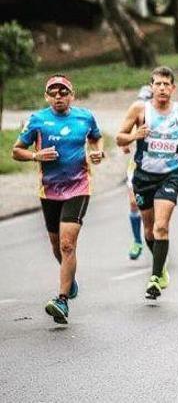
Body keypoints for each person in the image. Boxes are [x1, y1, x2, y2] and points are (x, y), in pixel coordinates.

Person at [12, 75, 105, 324]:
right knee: (56, 246)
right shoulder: (37, 120)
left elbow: (96, 137)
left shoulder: (85, 117)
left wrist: (96, 152)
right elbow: (16, 151)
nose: (58, 97)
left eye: (63, 92)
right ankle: (70, 278)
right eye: (53, 93)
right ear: (47, 96)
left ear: (72, 95)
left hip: (79, 187)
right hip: (49, 190)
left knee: (67, 244)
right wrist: (36, 155)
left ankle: (62, 299)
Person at [116, 67, 178, 300]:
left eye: (166, 84)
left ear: (173, 88)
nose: (162, 88)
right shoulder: (140, 109)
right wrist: (134, 136)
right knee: (149, 229)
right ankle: (161, 266)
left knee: (161, 226)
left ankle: (154, 278)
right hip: (143, 176)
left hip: (169, 174)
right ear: (151, 87)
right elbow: (120, 136)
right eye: (157, 84)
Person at [122, 85, 154, 260]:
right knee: (134, 203)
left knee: (154, 214)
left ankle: (158, 244)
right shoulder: (137, 114)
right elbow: (124, 135)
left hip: (158, 170)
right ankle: (137, 240)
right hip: (137, 166)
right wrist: (127, 142)